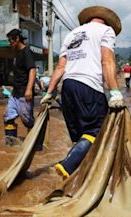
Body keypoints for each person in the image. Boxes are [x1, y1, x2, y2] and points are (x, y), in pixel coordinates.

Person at [40, 6, 125, 179]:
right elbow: (107, 61)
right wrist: (115, 92)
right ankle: (67, 166)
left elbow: (61, 67)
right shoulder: (105, 30)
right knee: (97, 131)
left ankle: (79, 179)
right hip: (89, 86)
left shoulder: (72, 34)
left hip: (68, 88)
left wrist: (49, 93)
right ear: (107, 22)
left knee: (82, 137)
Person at [3, 29, 37, 146]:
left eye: (10, 40)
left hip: (24, 93)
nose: (9, 43)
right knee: (8, 117)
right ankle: (11, 144)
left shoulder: (27, 52)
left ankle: (34, 144)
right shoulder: (17, 53)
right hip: (15, 93)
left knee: (27, 121)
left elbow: (32, 70)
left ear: (17, 38)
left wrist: (29, 89)